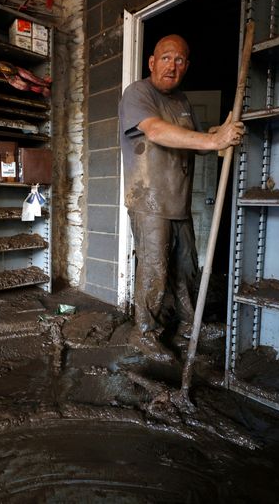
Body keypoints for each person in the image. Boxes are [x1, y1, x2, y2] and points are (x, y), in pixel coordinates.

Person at [118, 34, 245, 361]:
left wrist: (222, 132)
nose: (172, 66)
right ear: (151, 62)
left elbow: (200, 140)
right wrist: (212, 142)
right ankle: (143, 334)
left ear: (187, 66)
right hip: (149, 203)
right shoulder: (138, 93)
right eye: (165, 58)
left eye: (179, 60)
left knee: (187, 271)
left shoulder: (183, 102)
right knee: (155, 273)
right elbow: (157, 132)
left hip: (178, 204)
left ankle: (190, 326)